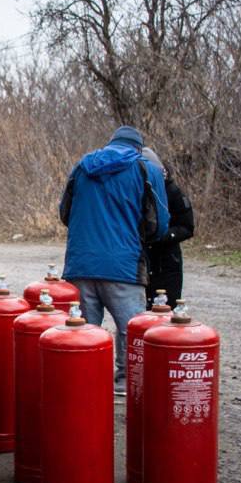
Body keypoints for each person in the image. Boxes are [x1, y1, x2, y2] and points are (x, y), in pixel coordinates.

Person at [59, 125, 169, 396]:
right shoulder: (147, 170)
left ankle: (82, 385)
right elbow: (160, 224)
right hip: (124, 265)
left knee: (81, 331)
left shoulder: (82, 167)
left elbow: (65, 213)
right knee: (130, 331)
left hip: (80, 265)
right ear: (138, 147)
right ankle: (124, 384)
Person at [140, 146, 195, 307]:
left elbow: (187, 227)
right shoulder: (135, 190)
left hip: (166, 261)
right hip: (141, 260)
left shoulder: (172, 191)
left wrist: (162, 235)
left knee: (166, 307)